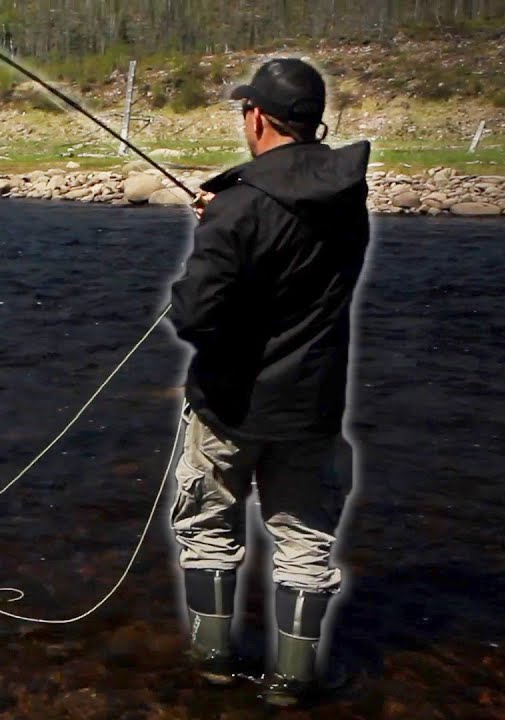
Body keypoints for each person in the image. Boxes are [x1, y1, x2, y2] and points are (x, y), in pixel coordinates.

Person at [166, 58, 371, 707]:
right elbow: (288, 253)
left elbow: (195, 316)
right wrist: (227, 220)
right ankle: (292, 681)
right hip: (311, 406)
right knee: (305, 544)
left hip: (229, 405)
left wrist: (217, 228)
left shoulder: (238, 207)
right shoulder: (347, 192)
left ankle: (212, 662)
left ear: (256, 116)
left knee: (208, 530)